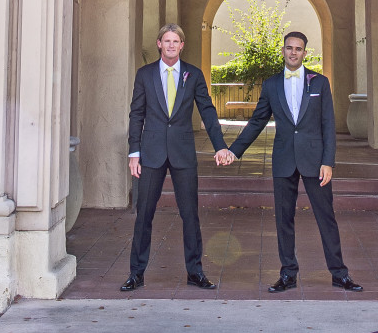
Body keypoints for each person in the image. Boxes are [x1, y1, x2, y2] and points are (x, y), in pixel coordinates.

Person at [225, 31, 363, 292]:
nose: (293, 52)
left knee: (326, 217)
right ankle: (288, 273)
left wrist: (328, 162)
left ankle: (339, 273)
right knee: (283, 219)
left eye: (298, 49)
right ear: (283, 51)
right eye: (289, 48)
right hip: (284, 160)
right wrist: (234, 151)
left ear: (305, 53)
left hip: (315, 161)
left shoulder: (320, 83)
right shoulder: (272, 84)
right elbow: (257, 122)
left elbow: (328, 125)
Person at [120, 22, 232, 291]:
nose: (171, 45)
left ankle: (195, 272)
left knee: (190, 215)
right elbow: (137, 114)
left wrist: (220, 146)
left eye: (176, 41)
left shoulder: (193, 75)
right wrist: (134, 152)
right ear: (159, 43)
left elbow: (207, 111)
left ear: (182, 45)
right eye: (166, 41)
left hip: (183, 153)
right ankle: (136, 273)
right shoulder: (144, 75)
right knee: (144, 213)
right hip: (151, 152)